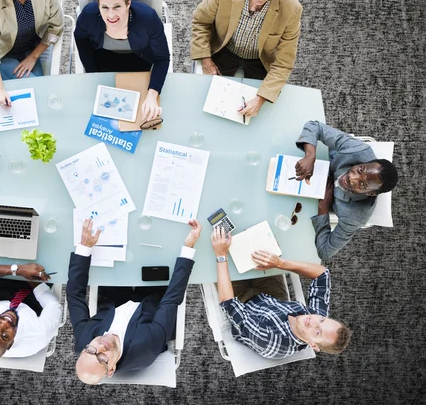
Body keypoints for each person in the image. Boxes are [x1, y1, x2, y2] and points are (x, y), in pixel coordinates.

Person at [68, 218, 200, 384]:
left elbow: (75, 295)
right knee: (159, 242)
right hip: (154, 301)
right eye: (102, 359)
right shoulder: (145, 346)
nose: (100, 347)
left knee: (119, 238)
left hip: (115, 298)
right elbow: (171, 299)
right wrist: (188, 248)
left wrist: (84, 247)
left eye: (91, 351)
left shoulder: (85, 342)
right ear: (111, 370)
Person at [191, 0, 302, 118]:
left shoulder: (292, 10)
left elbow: (284, 63)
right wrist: (206, 60)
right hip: (225, 49)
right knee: (203, 107)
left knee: (261, 116)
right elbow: (200, 21)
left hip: (260, 60)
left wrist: (260, 99)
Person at [211, 226, 351, 358]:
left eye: (317, 332)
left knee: (217, 247)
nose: (313, 321)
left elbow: (228, 303)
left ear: (313, 345)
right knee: (259, 243)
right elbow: (322, 274)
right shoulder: (317, 318)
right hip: (272, 298)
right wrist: (280, 263)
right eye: (322, 319)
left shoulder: (269, 341)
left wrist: (221, 255)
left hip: (243, 305)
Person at [295, 120, 399, 260]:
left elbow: (325, 252)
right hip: (318, 161)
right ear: (364, 162)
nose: (352, 178)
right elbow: (314, 126)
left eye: (362, 184)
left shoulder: (355, 217)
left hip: (308, 203)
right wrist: (310, 155)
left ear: (370, 193)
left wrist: (323, 208)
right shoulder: (360, 150)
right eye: (359, 169)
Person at [74, 0, 170, 123]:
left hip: (140, 63)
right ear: (98, 5)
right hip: (102, 63)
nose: (111, 15)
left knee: (140, 115)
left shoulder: (148, 18)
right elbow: (81, 40)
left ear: (128, 3)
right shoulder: (88, 15)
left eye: (117, 6)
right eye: (104, 7)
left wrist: (152, 95)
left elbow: (162, 58)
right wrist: (92, 73)